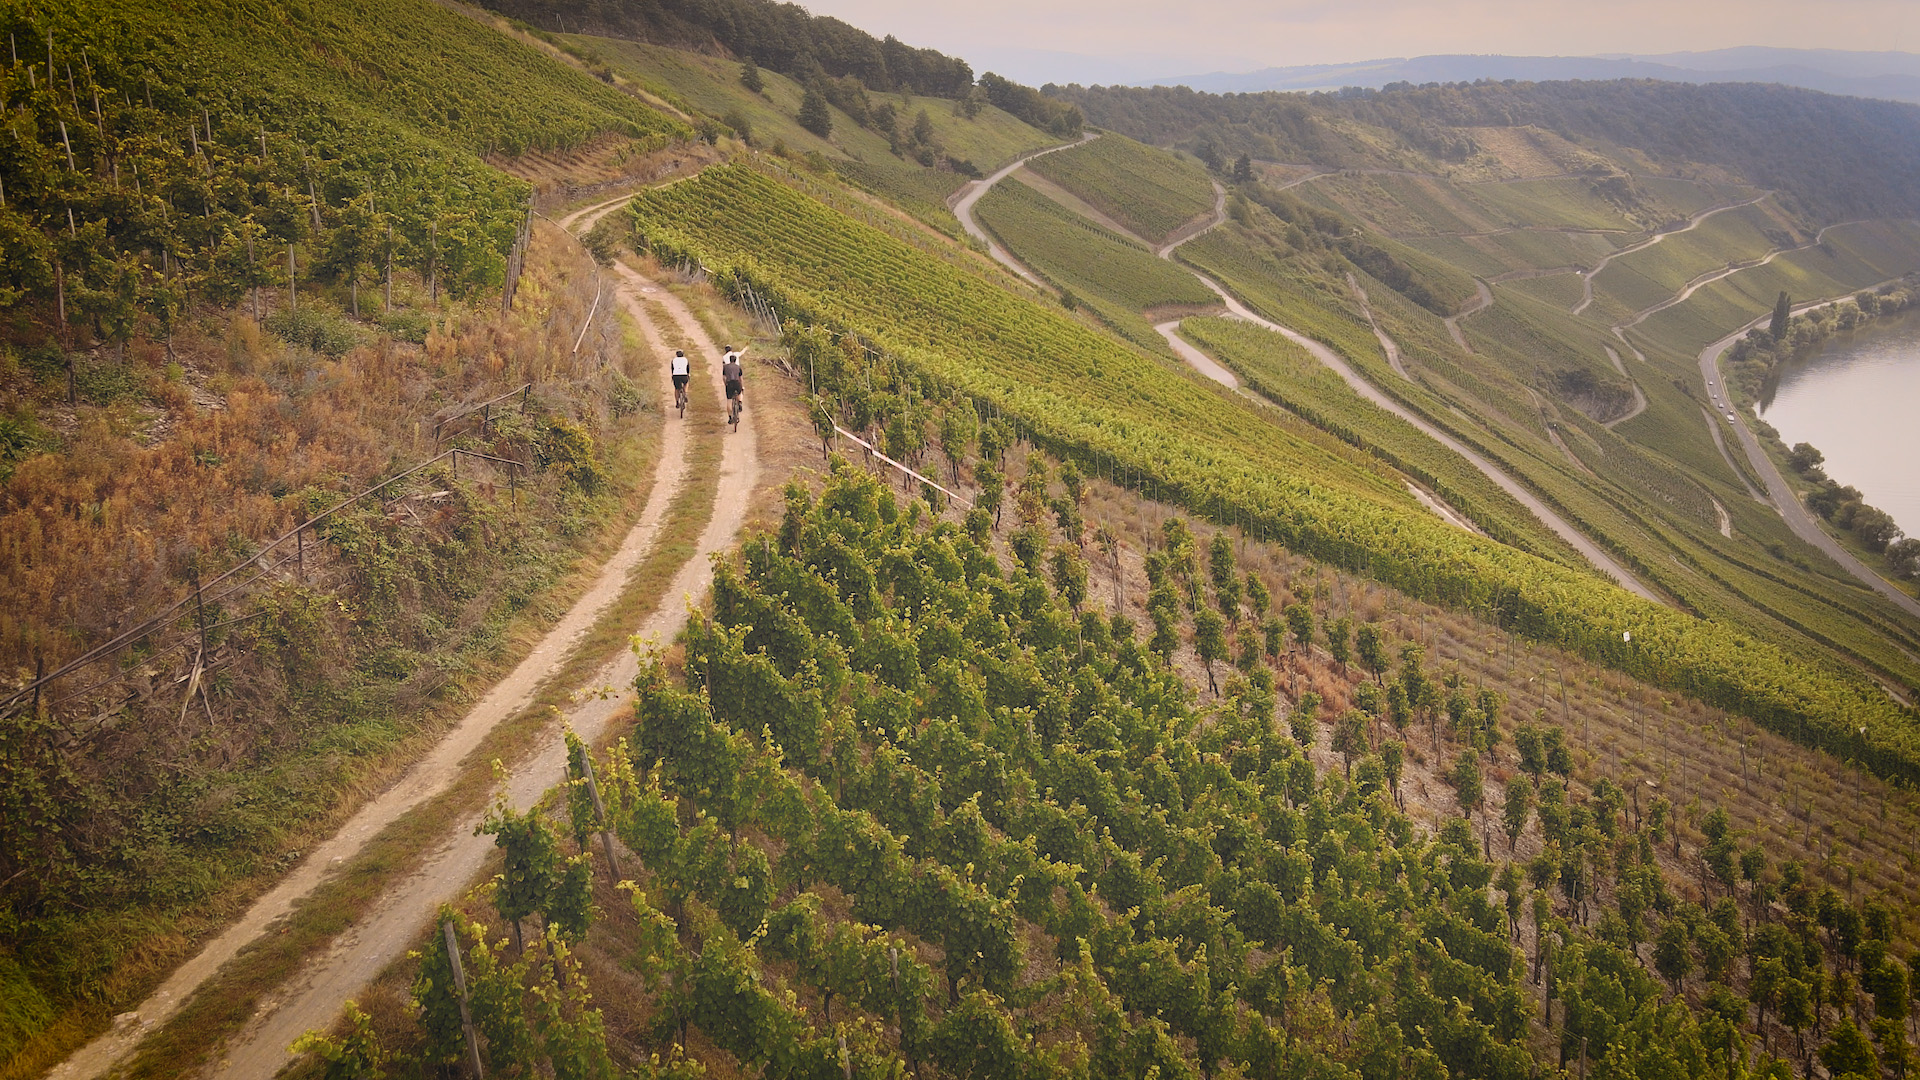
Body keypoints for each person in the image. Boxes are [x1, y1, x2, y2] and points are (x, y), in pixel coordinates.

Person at [721, 345, 746, 417]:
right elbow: (741, 378)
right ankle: (740, 402)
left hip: (729, 383)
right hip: (737, 381)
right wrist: (742, 386)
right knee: (740, 392)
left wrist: (725, 384)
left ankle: (730, 417)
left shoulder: (725, 365)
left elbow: (724, 377)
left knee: (729, 400)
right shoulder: (738, 366)